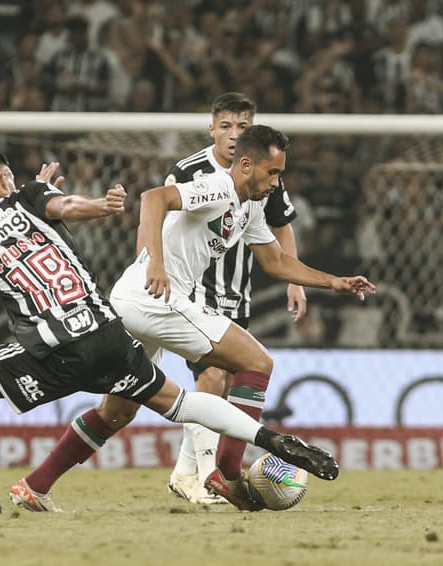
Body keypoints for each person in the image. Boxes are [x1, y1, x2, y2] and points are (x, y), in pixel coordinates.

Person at [0, 147, 340, 516]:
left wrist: (41, 204)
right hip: (112, 328)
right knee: (190, 396)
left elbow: (20, 271)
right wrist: (90, 204)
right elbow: (70, 205)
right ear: (8, 180)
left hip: (56, 348)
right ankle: (258, 447)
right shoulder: (35, 198)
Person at [10, 125, 375, 512]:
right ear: (246, 164)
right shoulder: (216, 187)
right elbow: (154, 198)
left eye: (280, 173)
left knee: (117, 411)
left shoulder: (249, 207)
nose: (277, 181)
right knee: (256, 362)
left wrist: (333, 281)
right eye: (273, 173)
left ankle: (35, 485)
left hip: (134, 302)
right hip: (157, 298)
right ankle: (229, 473)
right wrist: (157, 263)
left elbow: (276, 261)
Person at [163, 93, 308, 505]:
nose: (233, 134)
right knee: (210, 378)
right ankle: (211, 477)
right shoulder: (188, 171)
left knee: (225, 387)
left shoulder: (264, 171)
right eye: (225, 126)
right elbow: (165, 219)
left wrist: (294, 282)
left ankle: (184, 473)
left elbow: (281, 226)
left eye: (242, 126)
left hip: (236, 293)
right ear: (211, 128)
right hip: (192, 290)